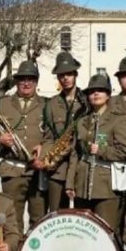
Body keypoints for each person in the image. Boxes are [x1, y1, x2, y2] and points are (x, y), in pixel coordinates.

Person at [0, 60, 48, 232]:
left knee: (39, 220)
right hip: (12, 171)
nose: (26, 83)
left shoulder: (46, 105)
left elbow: (52, 134)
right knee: (13, 218)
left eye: (31, 79)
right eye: (22, 79)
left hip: (37, 171)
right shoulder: (2, 103)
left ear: (36, 82)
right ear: (17, 81)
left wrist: (44, 146)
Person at [65, 74, 126, 231]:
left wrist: (102, 150)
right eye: (92, 91)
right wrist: (70, 182)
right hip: (82, 184)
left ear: (108, 95)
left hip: (106, 187)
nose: (95, 94)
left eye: (100, 91)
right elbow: (75, 153)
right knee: (83, 232)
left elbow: (125, 151)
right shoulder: (82, 121)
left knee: (106, 232)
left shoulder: (118, 120)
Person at [38, 51, 87, 211]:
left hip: (81, 169)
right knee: (56, 216)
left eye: (69, 74)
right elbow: (48, 137)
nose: (65, 78)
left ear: (75, 74)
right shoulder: (51, 104)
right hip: (58, 171)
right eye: (61, 75)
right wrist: (48, 159)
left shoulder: (87, 101)